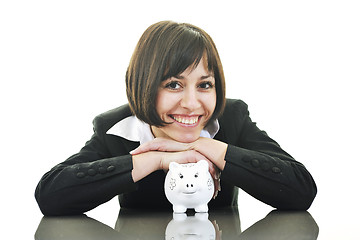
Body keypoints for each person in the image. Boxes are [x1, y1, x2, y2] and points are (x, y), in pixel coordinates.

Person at [35, 20, 317, 216]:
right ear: (144, 85)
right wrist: (155, 159)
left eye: (205, 85)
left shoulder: (232, 118)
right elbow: (51, 195)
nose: (192, 104)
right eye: (173, 85)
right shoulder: (116, 129)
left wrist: (206, 147)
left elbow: (301, 189)